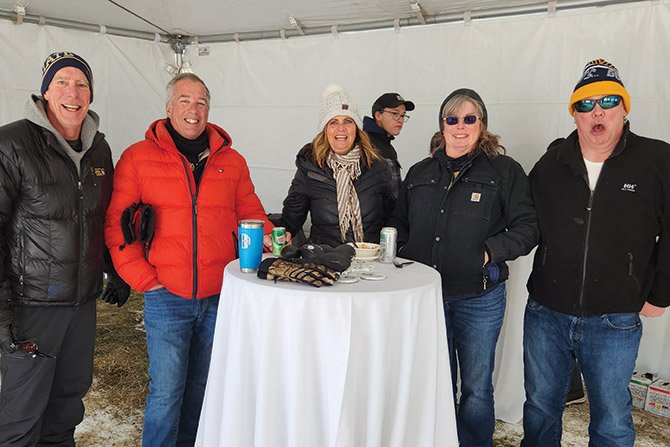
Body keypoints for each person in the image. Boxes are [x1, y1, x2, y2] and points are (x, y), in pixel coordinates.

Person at [104, 72, 273, 446]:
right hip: (166, 295)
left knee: (203, 386)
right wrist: (144, 279)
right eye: (184, 100)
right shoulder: (138, 157)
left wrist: (271, 236)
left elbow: (250, 212)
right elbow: (117, 226)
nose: (193, 110)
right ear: (168, 107)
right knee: (166, 392)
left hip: (218, 295)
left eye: (201, 102)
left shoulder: (232, 160)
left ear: (209, 109)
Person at [522, 59, 670, 446]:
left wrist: (661, 292)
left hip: (614, 318)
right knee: (540, 407)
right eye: (586, 104)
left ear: (624, 108)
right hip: (546, 313)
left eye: (608, 101)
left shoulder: (657, 160)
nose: (597, 111)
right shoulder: (551, 163)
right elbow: (524, 218)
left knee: (611, 419)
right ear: (574, 114)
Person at [388, 88, 538, 446]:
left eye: (469, 119)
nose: (460, 126)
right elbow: (398, 222)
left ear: (481, 125)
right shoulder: (420, 172)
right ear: (442, 126)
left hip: (479, 298)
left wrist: (487, 252)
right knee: (433, 381)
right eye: (452, 119)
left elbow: (528, 227)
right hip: (426, 298)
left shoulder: (505, 171)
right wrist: (400, 250)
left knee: (475, 388)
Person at [0, 51, 129, 446]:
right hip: (31, 306)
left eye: (82, 84)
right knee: (22, 417)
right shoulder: (12, 143)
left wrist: (114, 268)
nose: (73, 93)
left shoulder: (99, 149)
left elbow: (99, 217)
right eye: (62, 82)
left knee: (67, 408)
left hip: (81, 305)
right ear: (45, 92)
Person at [280, 85, 396, 247]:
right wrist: (280, 233)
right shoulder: (310, 166)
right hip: (325, 257)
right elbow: (291, 217)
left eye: (348, 121)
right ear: (325, 129)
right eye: (333, 122)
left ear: (357, 129)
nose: (341, 128)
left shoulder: (379, 167)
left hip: (369, 258)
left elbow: (393, 216)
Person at [362, 92, 415, 200]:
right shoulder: (365, 145)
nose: (400, 120)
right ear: (378, 115)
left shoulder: (386, 145)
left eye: (403, 115)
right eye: (395, 114)